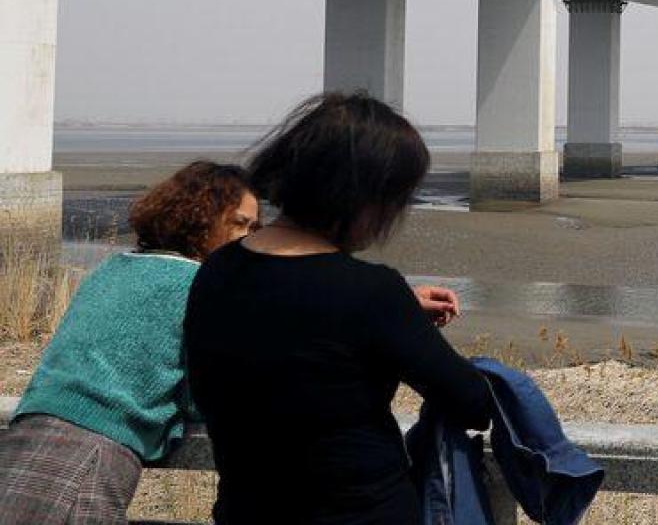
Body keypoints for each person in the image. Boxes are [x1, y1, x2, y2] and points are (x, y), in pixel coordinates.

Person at [184, 93, 489, 525]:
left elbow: (289, 337)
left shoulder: (217, 270)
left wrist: (388, 323)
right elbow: (471, 400)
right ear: (360, 196)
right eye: (393, 200)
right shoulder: (371, 292)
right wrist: (395, 321)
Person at [0, 161, 261, 524]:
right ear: (201, 216)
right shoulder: (202, 285)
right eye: (238, 223)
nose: (246, 237)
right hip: (95, 455)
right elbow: (201, 397)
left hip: (26, 434)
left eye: (253, 226)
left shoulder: (112, 267)